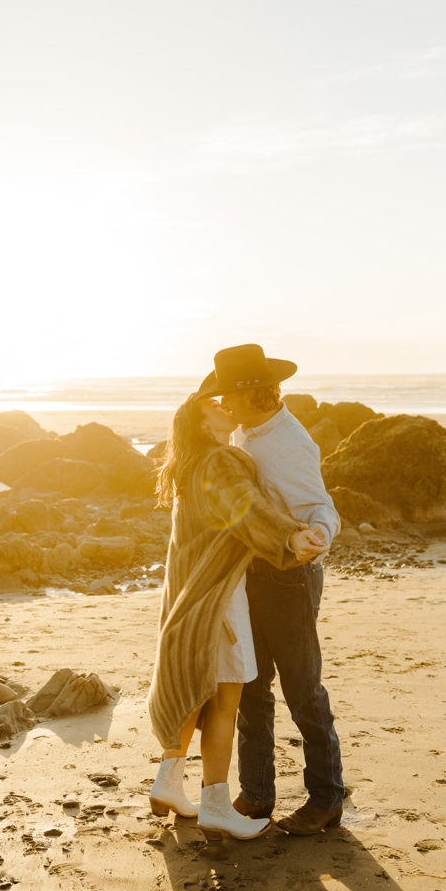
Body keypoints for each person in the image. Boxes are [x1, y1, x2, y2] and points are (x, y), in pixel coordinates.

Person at [147, 391, 327, 841]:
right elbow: (249, 510)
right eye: (213, 403)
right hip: (220, 597)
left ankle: (168, 782)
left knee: (197, 693)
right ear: (198, 419)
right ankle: (215, 806)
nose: (224, 405)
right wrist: (290, 537)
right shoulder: (221, 462)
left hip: (190, 594)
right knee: (227, 700)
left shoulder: (189, 464)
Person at [198, 343, 345, 836]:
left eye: (228, 397)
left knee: (303, 690)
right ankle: (257, 796)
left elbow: (321, 507)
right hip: (253, 577)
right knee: (253, 690)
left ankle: (326, 799)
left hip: (291, 579)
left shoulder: (288, 442)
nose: (224, 406)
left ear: (251, 393)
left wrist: (319, 538)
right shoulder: (245, 430)